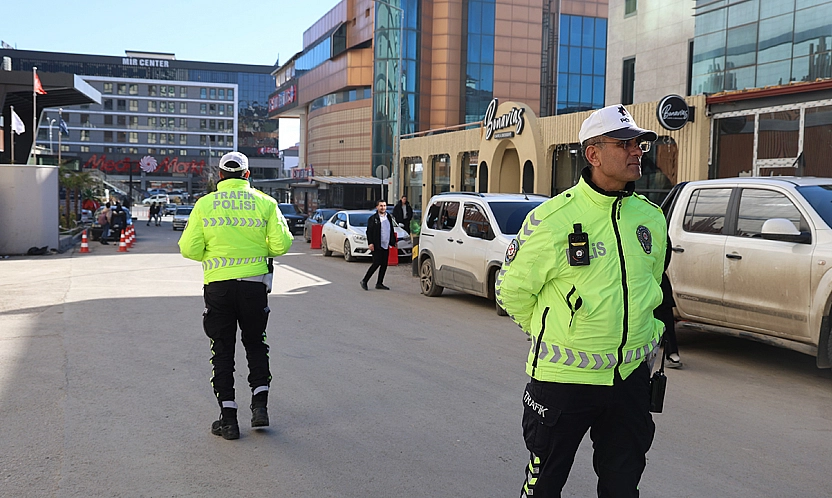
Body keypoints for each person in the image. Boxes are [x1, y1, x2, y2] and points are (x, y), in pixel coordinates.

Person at [496, 104, 668, 497]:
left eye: (639, 144)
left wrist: (649, 334)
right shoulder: (552, 219)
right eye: (625, 144)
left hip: (629, 380)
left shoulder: (650, 218)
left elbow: (652, 288)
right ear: (593, 154)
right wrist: (555, 331)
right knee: (544, 486)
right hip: (564, 381)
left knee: (623, 486)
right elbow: (511, 291)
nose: (636, 151)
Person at [179, 151, 293, 440]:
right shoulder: (266, 203)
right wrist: (256, 251)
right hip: (255, 285)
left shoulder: (204, 205)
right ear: (247, 175)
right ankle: (260, 408)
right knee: (255, 344)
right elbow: (281, 245)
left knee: (222, 350)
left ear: (219, 176)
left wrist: (216, 255)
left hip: (218, 287)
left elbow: (189, 249)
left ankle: (228, 420)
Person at [360, 199, 396, 291]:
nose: (383, 207)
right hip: (376, 244)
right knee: (376, 263)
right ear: (377, 207)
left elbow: (390, 230)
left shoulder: (388, 217)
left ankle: (379, 283)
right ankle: (364, 280)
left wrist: (393, 241)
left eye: (384, 206)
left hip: (386, 243)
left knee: (384, 264)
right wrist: (370, 243)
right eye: (381, 206)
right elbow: (369, 232)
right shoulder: (373, 219)